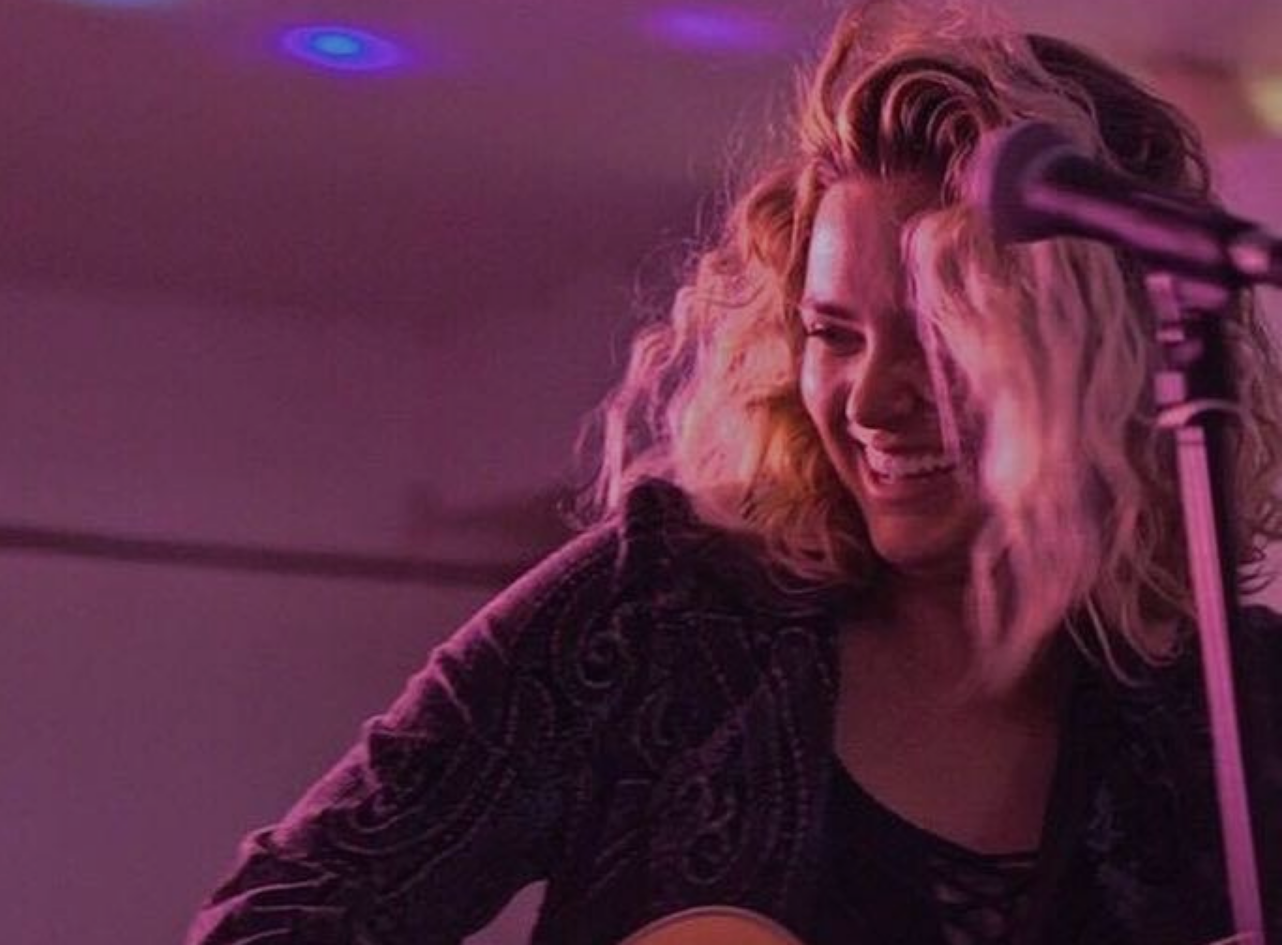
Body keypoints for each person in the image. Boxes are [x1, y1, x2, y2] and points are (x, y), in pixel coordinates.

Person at [188, 1, 1282, 942]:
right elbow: (273, 919)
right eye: (834, 333)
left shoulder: (1246, 716)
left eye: (940, 339)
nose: (870, 400)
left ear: (1110, 356)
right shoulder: (654, 617)